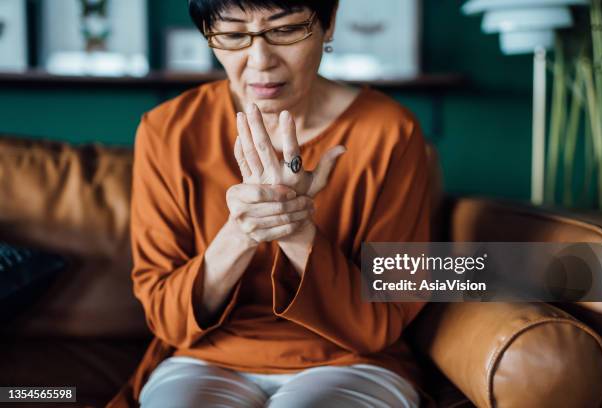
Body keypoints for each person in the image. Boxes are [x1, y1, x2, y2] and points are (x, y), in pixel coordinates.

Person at [107, 0, 431, 406]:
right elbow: (168, 320)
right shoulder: (167, 131)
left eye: (285, 30)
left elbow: (379, 324)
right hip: (205, 359)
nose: (260, 61)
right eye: (233, 34)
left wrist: (296, 227)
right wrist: (244, 229)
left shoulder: (390, 132)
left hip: (353, 359)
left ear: (328, 25)